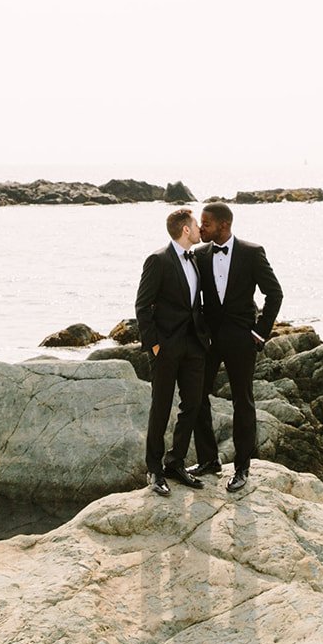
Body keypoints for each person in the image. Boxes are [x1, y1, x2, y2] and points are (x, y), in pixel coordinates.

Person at [188, 202, 283, 492]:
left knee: (243, 401)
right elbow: (192, 298)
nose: (200, 228)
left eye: (205, 223)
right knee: (196, 396)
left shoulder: (252, 253)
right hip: (208, 340)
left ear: (224, 225)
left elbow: (274, 293)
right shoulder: (199, 255)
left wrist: (259, 332)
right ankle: (208, 459)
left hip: (242, 339)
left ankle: (242, 467)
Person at [135, 208, 213, 495]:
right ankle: (154, 470)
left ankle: (175, 462)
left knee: (192, 404)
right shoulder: (158, 260)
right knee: (161, 407)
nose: (200, 229)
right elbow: (142, 305)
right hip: (166, 347)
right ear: (185, 229)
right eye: (195, 224)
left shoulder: (195, 258)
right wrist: (154, 345)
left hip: (194, 345)